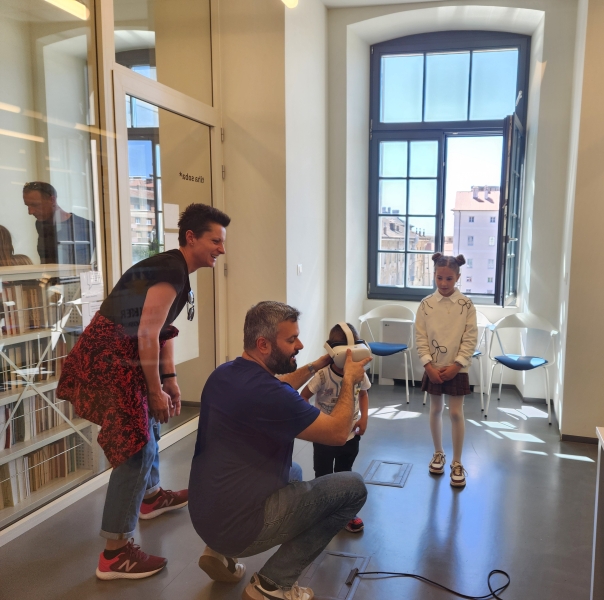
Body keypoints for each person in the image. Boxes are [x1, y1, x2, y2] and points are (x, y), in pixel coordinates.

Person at [56, 203, 230, 580]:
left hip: (126, 357)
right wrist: (154, 391)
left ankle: (150, 498)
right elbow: (148, 334)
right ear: (191, 238)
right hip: (111, 359)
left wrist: (169, 379)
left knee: (148, 424)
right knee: (137, 447)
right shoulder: (171, 270)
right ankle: (115, 554)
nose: (221, 249)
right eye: (215, 241)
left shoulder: (176, 269)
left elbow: (161, 330)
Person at [188, 301, 370, 600]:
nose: (300, 345)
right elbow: (338, 433)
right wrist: (349, 379)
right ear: (263, 344)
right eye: (291, 340)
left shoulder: (225, 373)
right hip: (238, 528)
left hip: (204, 516)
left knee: (293, 470)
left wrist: (316, 365)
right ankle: (273, 584)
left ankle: (218, 552)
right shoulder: (270, 396)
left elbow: (280, 385)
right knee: (353, 488)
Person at [300, 322, 370, 533]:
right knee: (323, 475)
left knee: (344, 474)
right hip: (324, 437)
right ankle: (322, 510)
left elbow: (363, 394)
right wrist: (313, 421)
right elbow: (304, 396)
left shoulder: (358, 372)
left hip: (350, 435)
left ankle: (344, 511)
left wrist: (364, 418)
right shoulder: (322, 375)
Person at [415, 253, 477, 488]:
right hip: (434, 367)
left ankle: (457, 462)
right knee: (435, 409)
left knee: (456, 413)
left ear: (458, 277)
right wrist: (428, 365)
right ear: (434, 275)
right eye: (439, 278)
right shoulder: (426, 304)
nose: (443, 283)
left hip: (457, 368)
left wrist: (457, 365)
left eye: (449, 278)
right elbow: (420, 337)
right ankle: (438, 453)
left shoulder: (466, 305)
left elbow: (470, 338)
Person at [22, 181, 95, 265]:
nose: (30, 212)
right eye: (28, 206)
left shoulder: (85, 226)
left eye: (35, 205)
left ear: (52, 200)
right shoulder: (40, 224)